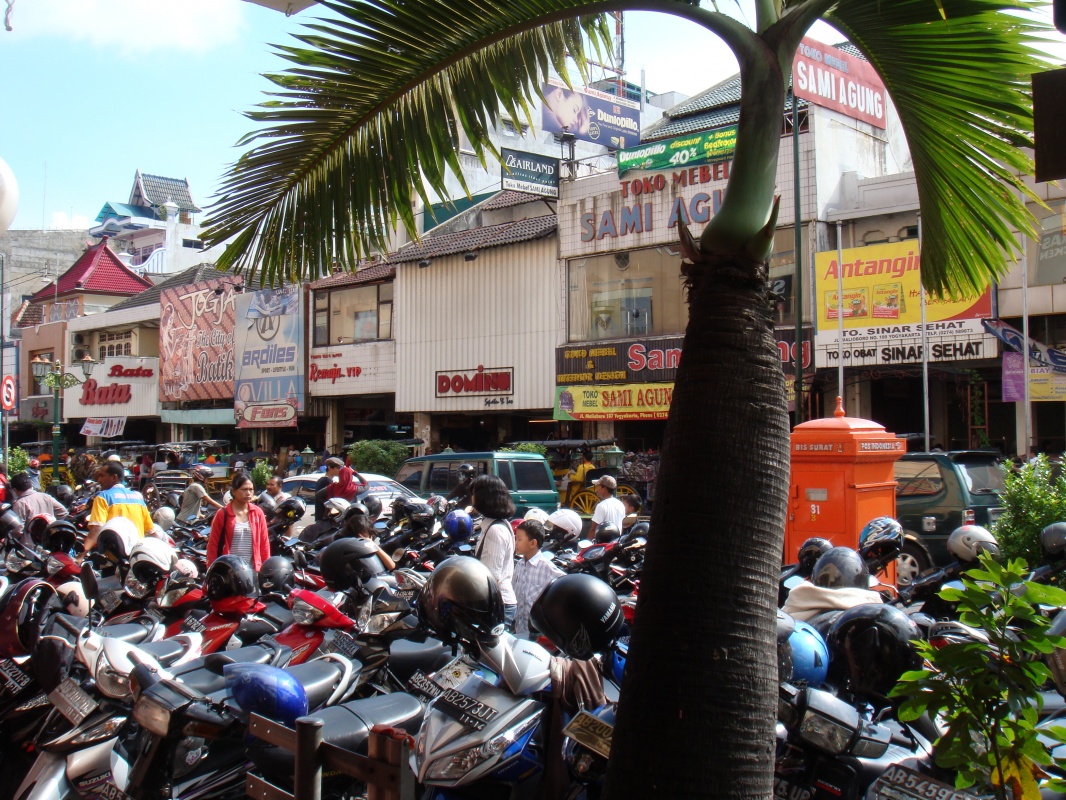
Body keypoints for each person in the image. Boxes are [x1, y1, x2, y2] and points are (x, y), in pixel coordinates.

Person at [470, 474, 517, 626]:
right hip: (495, 603)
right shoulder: (495, 524)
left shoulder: (496, 530)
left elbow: (491, 577)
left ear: (483, 497)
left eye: (474, 493)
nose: (471, 497)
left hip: (497, 605)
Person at [206, 472, 271, 570]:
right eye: (244, 489)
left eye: (251, 489)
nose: (248, 493)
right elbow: (213, 545)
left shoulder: (258, 513)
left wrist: (265, 570)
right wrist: (212, 570)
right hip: (228, 570)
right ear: (234, 491)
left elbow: (264, 544)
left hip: (252, 571)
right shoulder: (223, 514)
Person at [512, 519, 563, 639]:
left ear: (533, 543)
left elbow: (564, 585)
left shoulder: (546, 567)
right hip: (520, 628)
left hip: (538, 634)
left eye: (519, 539)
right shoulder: (519, 565)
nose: (516, 543)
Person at [85, 461, 153, 551]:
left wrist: (82, 554)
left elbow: (96, 528)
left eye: (102, 476)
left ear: (114, 477)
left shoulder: (103, 497)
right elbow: (150, 531)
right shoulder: (138, 499)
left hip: (114, 553)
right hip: (136, 553)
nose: (99, 480)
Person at [588, 475, 625, 542]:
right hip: (616, 543)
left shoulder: (601, 506)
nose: (597, 489)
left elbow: (594, 529)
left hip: (604, 544)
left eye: (598, 486)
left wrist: (587, 544)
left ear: (604, 489)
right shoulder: (620, 504)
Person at [314, 457, 343, 521]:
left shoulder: (323, 480)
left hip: (322, 516)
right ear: (330, 468)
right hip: (324, 517)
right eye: (337, 468)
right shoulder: (326, 481)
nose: (339, 470)